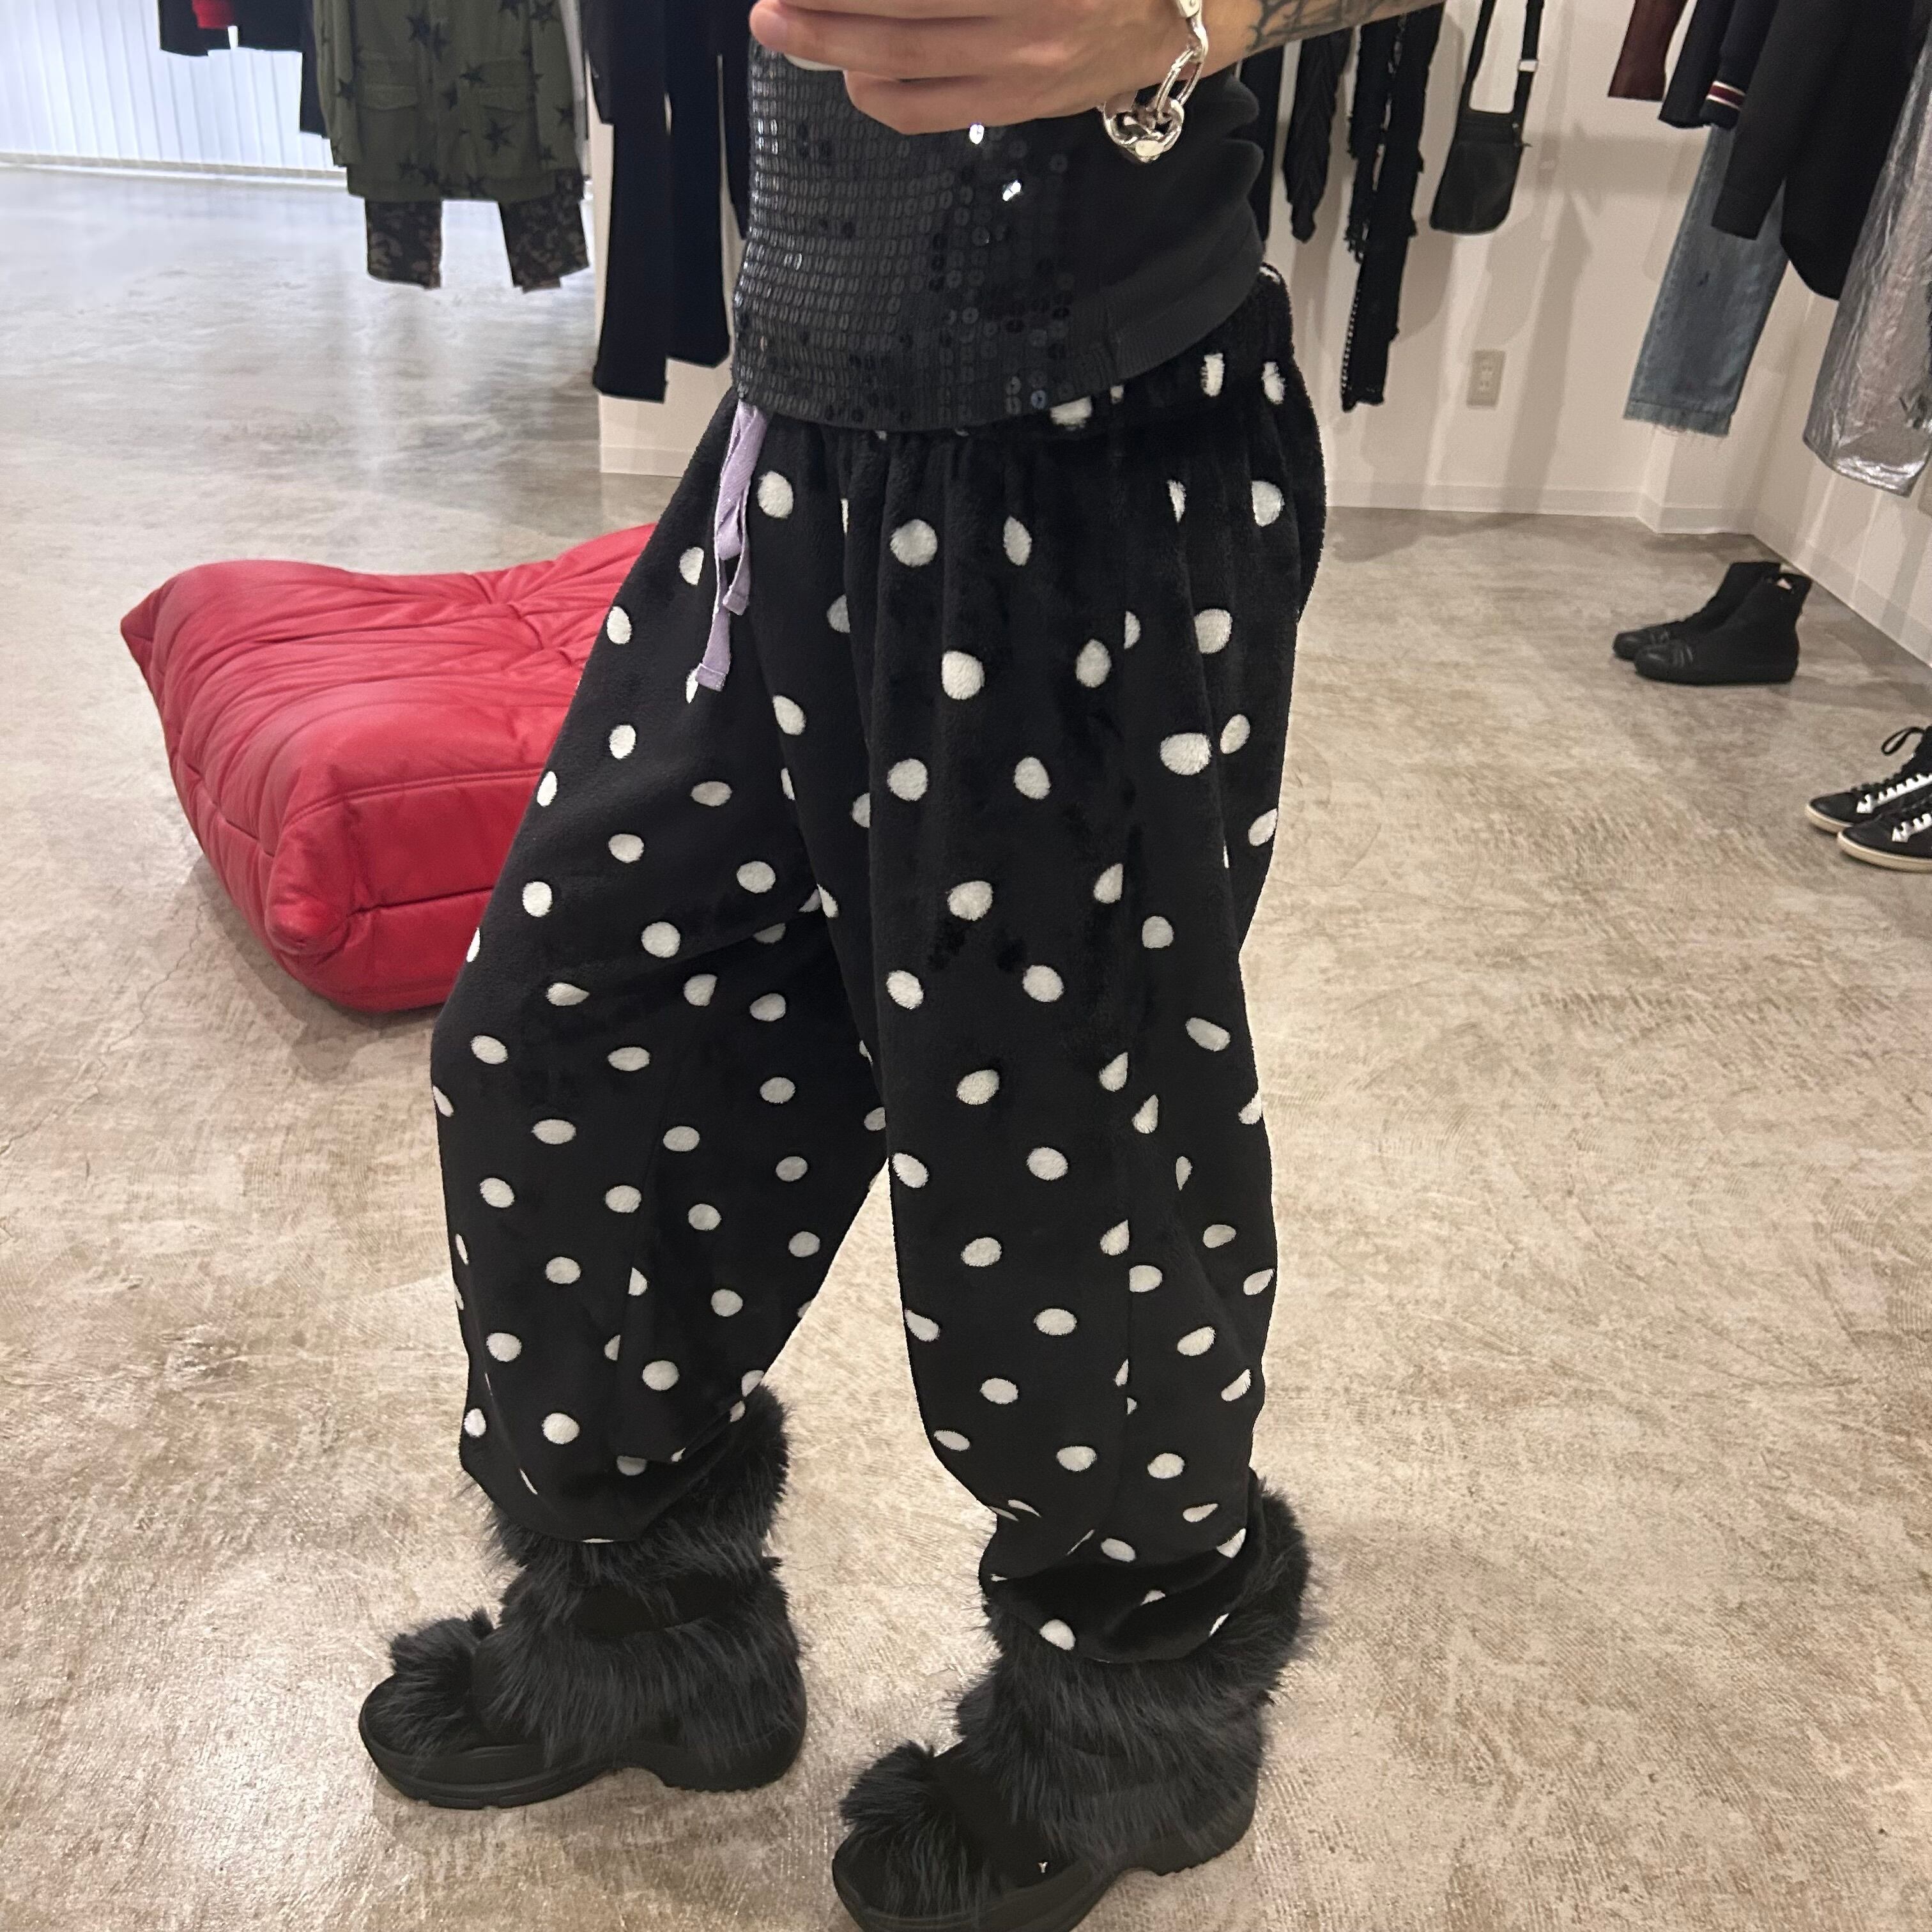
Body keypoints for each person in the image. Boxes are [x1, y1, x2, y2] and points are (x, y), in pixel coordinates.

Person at [356, 3, 1439, 1928]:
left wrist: (1201, 14)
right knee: (568, 1046)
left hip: (1093, 455)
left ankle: (1129, 1733)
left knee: (1059, 1173)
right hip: (792, 435)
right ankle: (644, 1626)